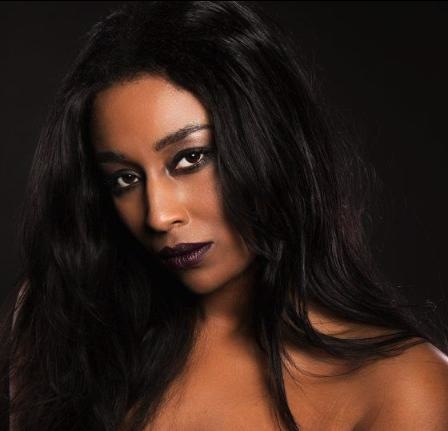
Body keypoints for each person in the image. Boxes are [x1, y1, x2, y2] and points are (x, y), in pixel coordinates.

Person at [1, 2, 447, 430]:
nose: (159, 216)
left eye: (190, 158)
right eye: (125, 179)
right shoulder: (67, 327)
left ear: (271, 144)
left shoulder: (404, 390)